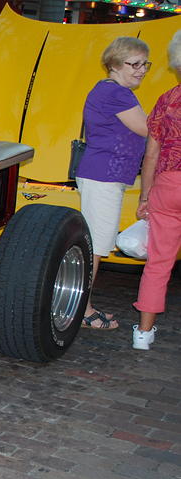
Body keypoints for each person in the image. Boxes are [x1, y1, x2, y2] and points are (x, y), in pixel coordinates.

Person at [75, 36, 150, 330]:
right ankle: (82, 310)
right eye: (135, 64)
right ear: (115, 64)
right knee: (96, 245)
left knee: (95, 244)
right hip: (103, 175)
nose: (142, 69)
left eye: (145, 64)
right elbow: (146, 128)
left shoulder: (112, 91)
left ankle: (82, 306)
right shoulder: (117, 94)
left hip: (105, 174)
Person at [132, 32, 181, 350]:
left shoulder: (168, 100)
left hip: (168, 186)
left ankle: (142, 335)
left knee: (159, 262)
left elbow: (150, 154)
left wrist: (144, 197)